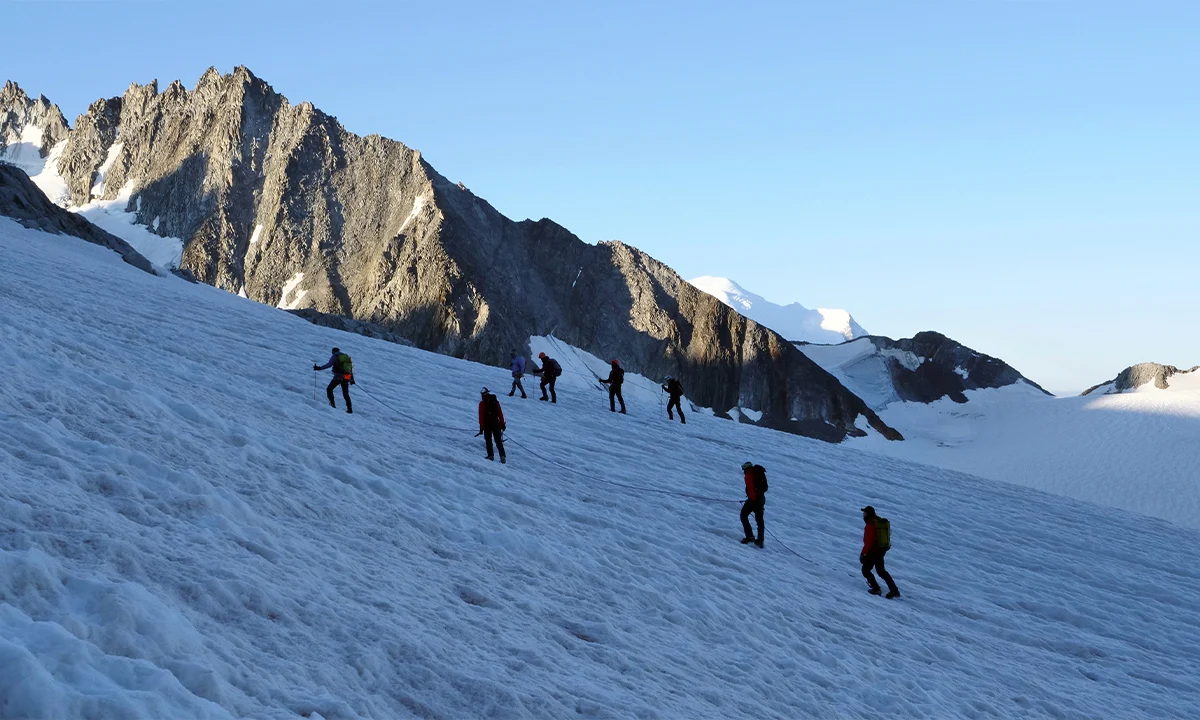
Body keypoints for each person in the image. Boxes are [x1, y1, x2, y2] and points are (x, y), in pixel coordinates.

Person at [860, 506, 900, 598]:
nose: (863, 515)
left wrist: (863, 554)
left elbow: (869, 542)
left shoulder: (870, 525)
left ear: (868, 514)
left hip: (874, 551)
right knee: (881, 571)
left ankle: (876, 589)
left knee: (865, 570)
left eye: (864, 513)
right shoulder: (878, 521)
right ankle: (894, 590)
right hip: (881, 550)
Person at [313, 347, 354, 414]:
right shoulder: (345, 357)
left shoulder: (335, 356)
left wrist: (319, 368)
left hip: (338, 377)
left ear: (333, 351)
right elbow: (350, 368)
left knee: (329, 389)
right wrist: (352, 379)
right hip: (346, 377)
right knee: (346, 394)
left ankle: (332, 405)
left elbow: (329, 365)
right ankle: (350, 409)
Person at [739, 461, 767, 547]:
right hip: (761, 499)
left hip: (754, 500)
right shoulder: (758, 472)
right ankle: (760, 540)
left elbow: (751, 489)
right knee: (760, 520)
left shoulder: (749, 475)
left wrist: (750, 500)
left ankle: (749, 536)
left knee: (743, 515)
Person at [477, 387, 506, 463]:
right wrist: (502, 424)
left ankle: (491, 456)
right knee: (498, 441)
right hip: (496, 423)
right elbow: (500, 413)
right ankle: (502, 457)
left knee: (488, 440)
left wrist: (481, 427)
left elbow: (481, 417)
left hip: (487, 425)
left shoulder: (482, 404)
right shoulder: (495, 402)